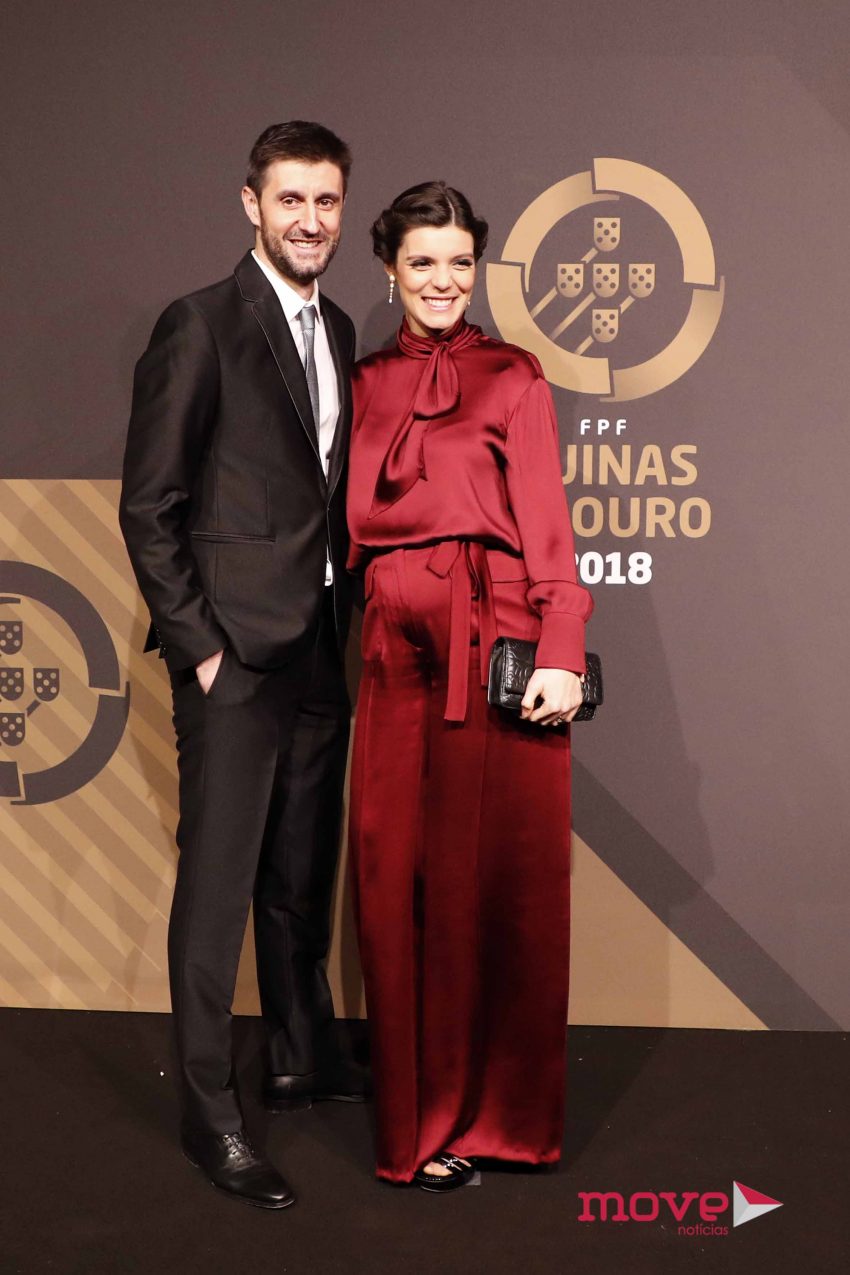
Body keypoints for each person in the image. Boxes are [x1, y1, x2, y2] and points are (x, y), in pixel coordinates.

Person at [119, 121, 361, 1210]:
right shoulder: (200, 324)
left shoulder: (340, 326)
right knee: (219, 889)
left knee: (298, 874)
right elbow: (150, 506)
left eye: (326, 201)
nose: (310, 219)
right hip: (235, 657)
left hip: (318, 648)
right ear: (250, 204)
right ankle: (212, 1116)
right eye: (290, 199)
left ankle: (299, 1057)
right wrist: (202, 650)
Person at [346, 182, 594, 1191]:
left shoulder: (512, 375)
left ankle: (486, 1118)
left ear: (477, 268)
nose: (442, 281)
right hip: (388, 646)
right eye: (422, 262)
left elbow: (546, 519)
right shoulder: (363, 380)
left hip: (490, 638)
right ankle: (412, 1122)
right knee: (393, 879)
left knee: (482, 886)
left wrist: (562, 644)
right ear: (389, 270)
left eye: (458, 262)